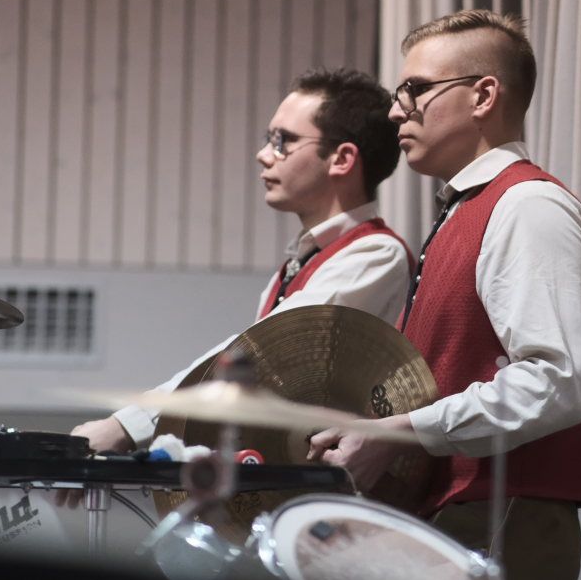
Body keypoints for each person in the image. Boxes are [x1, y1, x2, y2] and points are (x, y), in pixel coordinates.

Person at [307, 10, 581, 580]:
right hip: (460, 517)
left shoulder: (527, 205)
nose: (396, 110)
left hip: (499, 519)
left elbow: (559, 381)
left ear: (483, 96)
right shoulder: (470, 209)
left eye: (416, 89)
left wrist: (400, 433)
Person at [72, 67, 412, 454]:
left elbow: (260, 353)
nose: (263, 155)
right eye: (269, 139)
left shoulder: (375, 254)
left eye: (283, 141)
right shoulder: (303, 261)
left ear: (342, 159)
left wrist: (127, 425)